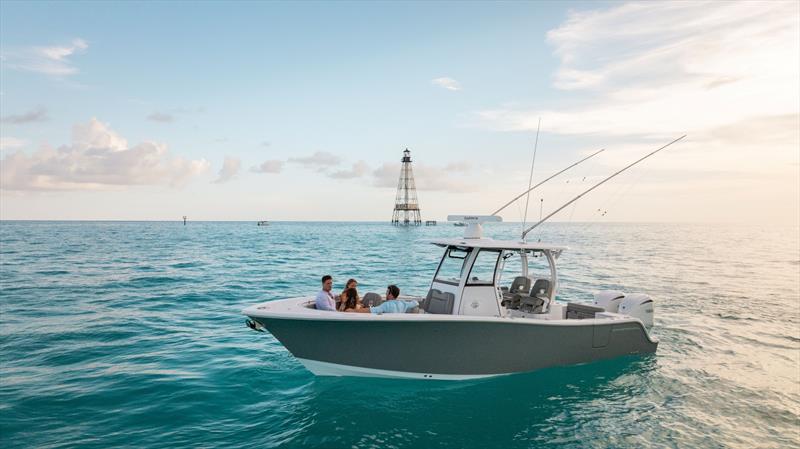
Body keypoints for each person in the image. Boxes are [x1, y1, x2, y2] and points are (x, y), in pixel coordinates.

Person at [347, 285, 418, 314]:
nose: (386, 294)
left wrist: (353, 310)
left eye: (387, 292)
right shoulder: (403, 303)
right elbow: (416, 303)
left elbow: (370, 310)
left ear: (390, 295)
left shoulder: (386, 305)